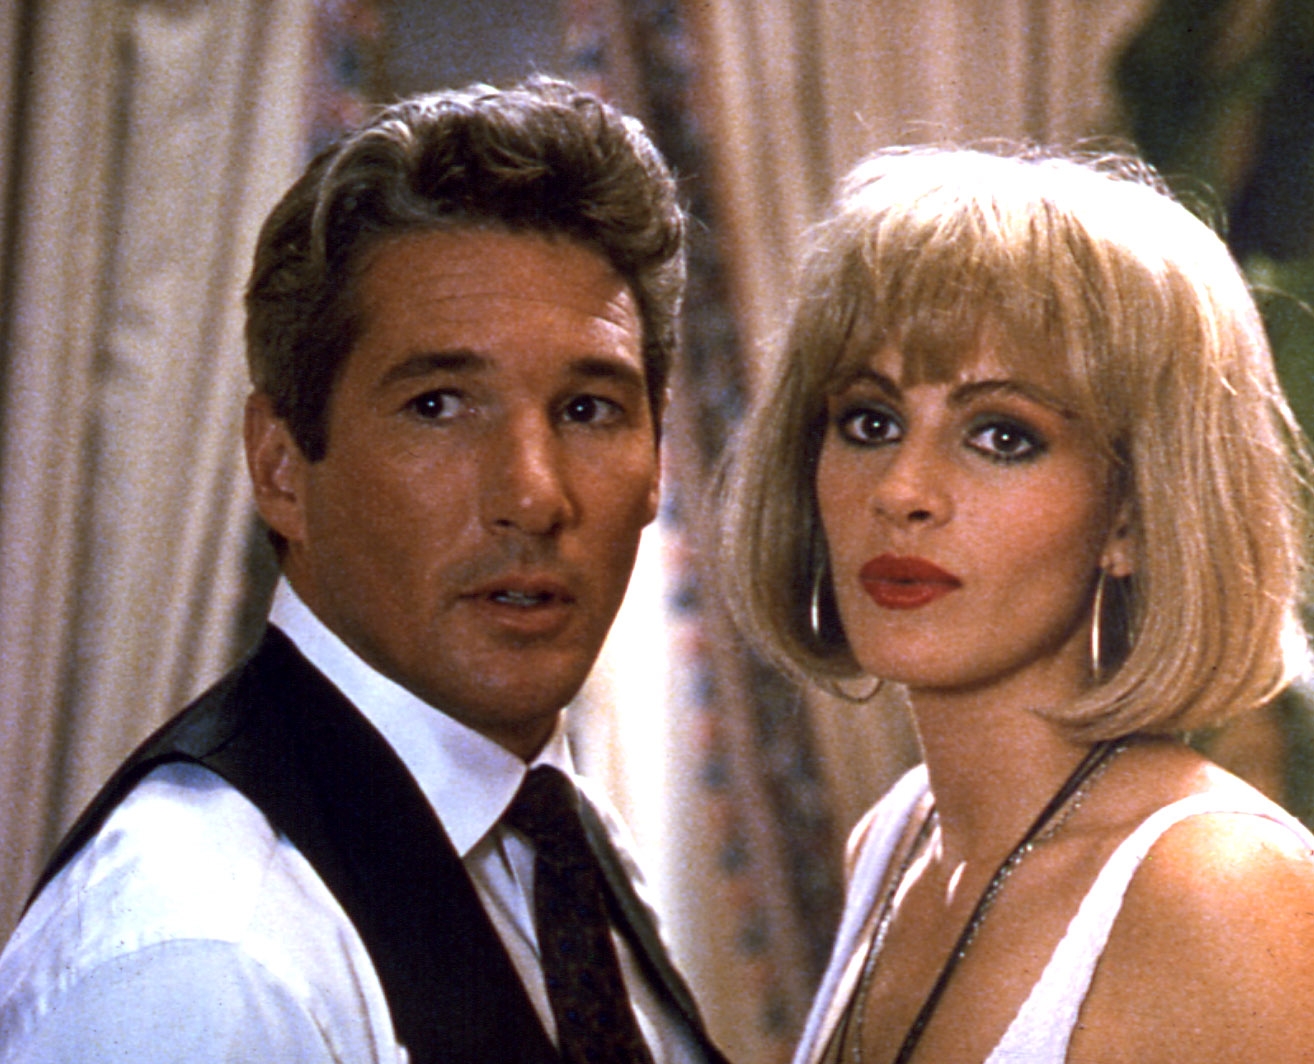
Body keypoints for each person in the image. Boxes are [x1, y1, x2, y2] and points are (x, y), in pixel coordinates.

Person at [0, 77, 728, 1064]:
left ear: (657, 464)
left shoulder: (562, 840)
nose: (534, 494)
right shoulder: (204, 952)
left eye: (588, 409)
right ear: (281, 468)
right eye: (439, 404)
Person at [719, 145, 1314, 1064]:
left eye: (1001, 436)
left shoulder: (1219, 891)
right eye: (871, 422)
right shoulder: (893, 840)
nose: (902, 490)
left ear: (1133, 515)